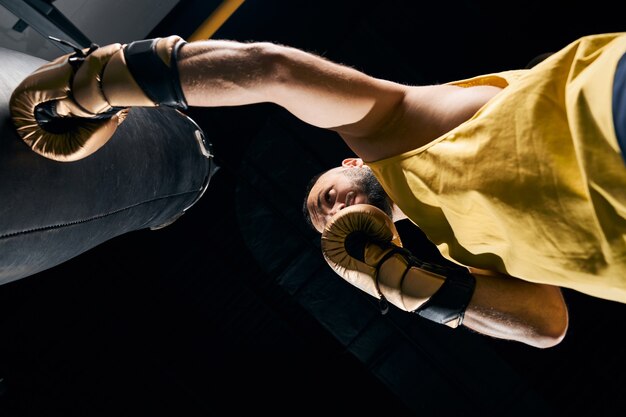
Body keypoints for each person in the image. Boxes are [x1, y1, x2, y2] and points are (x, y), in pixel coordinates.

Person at [11, 32, 626, 348]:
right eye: (324, 222)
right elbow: (547, 326)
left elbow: (272, 70)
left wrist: (98, 84)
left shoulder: (392, 126)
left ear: (347, 159)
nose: (328, 209)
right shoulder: (466, 255)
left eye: (322, 194)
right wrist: (395, 278)